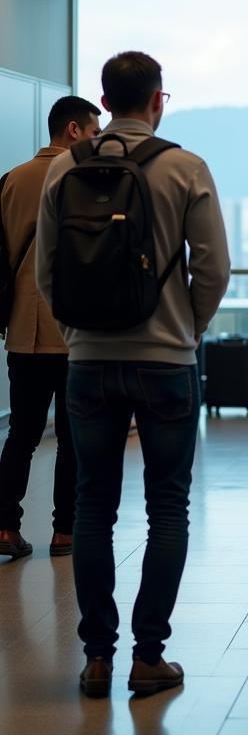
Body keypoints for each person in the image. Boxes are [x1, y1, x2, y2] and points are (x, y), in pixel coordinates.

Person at [36, 51, 230, 699]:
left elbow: (47, 271)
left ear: (104, 98)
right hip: (166, 361)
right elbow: (215, 267)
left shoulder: (65, 166)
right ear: (157, 100)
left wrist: (77, 337)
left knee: (93, 505)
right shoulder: (184, 166)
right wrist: (187, 328)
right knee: (166, 506)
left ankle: (96, 657)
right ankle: (149, 656)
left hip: (88, 362)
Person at [0, 96, 101, 561]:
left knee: (21, 433)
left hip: (23, 329)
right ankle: (65, 532)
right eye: (94, 132)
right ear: (75, 130)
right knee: (72, 434)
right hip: (74, 332)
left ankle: (5, 526)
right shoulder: (87, 178)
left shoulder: (11, 180)